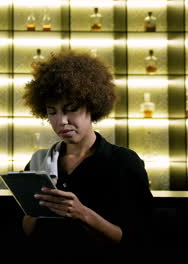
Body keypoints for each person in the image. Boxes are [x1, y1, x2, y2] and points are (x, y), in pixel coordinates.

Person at [21, 50, 153, 255]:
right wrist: (35, 212)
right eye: (52, 112)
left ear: (91, 105)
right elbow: (27, 232)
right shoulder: (39, 162)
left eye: (71, 109)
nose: (61, 121)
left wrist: (82, 214)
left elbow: (137, 239)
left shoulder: (123, 162)